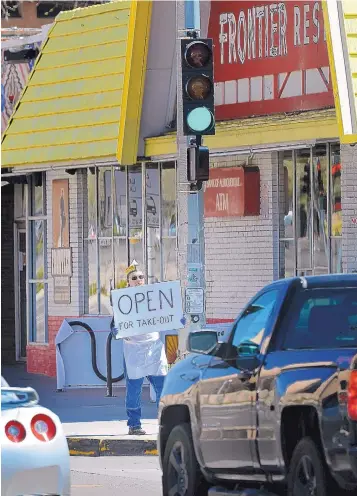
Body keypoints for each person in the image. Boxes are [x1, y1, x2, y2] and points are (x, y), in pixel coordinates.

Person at [121, 261, 168, 435]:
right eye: (134, 278)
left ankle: (166, 424)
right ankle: (134, 425)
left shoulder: (153, 298)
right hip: (134, 351)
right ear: (128, 283)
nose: (139, 280)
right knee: (134, 390)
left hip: (154, 349)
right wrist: (117, 331)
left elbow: (167, 315)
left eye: (141, 277)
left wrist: (178, 320)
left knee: (163, 388)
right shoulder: (123, 303)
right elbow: (115, 325)